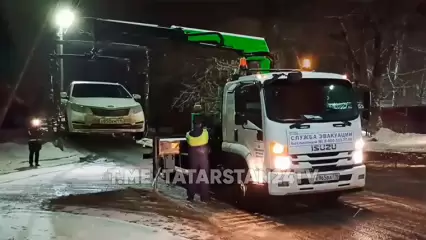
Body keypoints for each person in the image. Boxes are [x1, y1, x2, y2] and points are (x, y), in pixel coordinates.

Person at [186, 116, 210, 202]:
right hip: (203, 155)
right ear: (201, 124)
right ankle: (205, 198)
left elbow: (188, 141)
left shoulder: (188, 135)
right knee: (204, 176)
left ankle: (190, 196)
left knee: (193, 176)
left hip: (193, 155)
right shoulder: (205, 133)